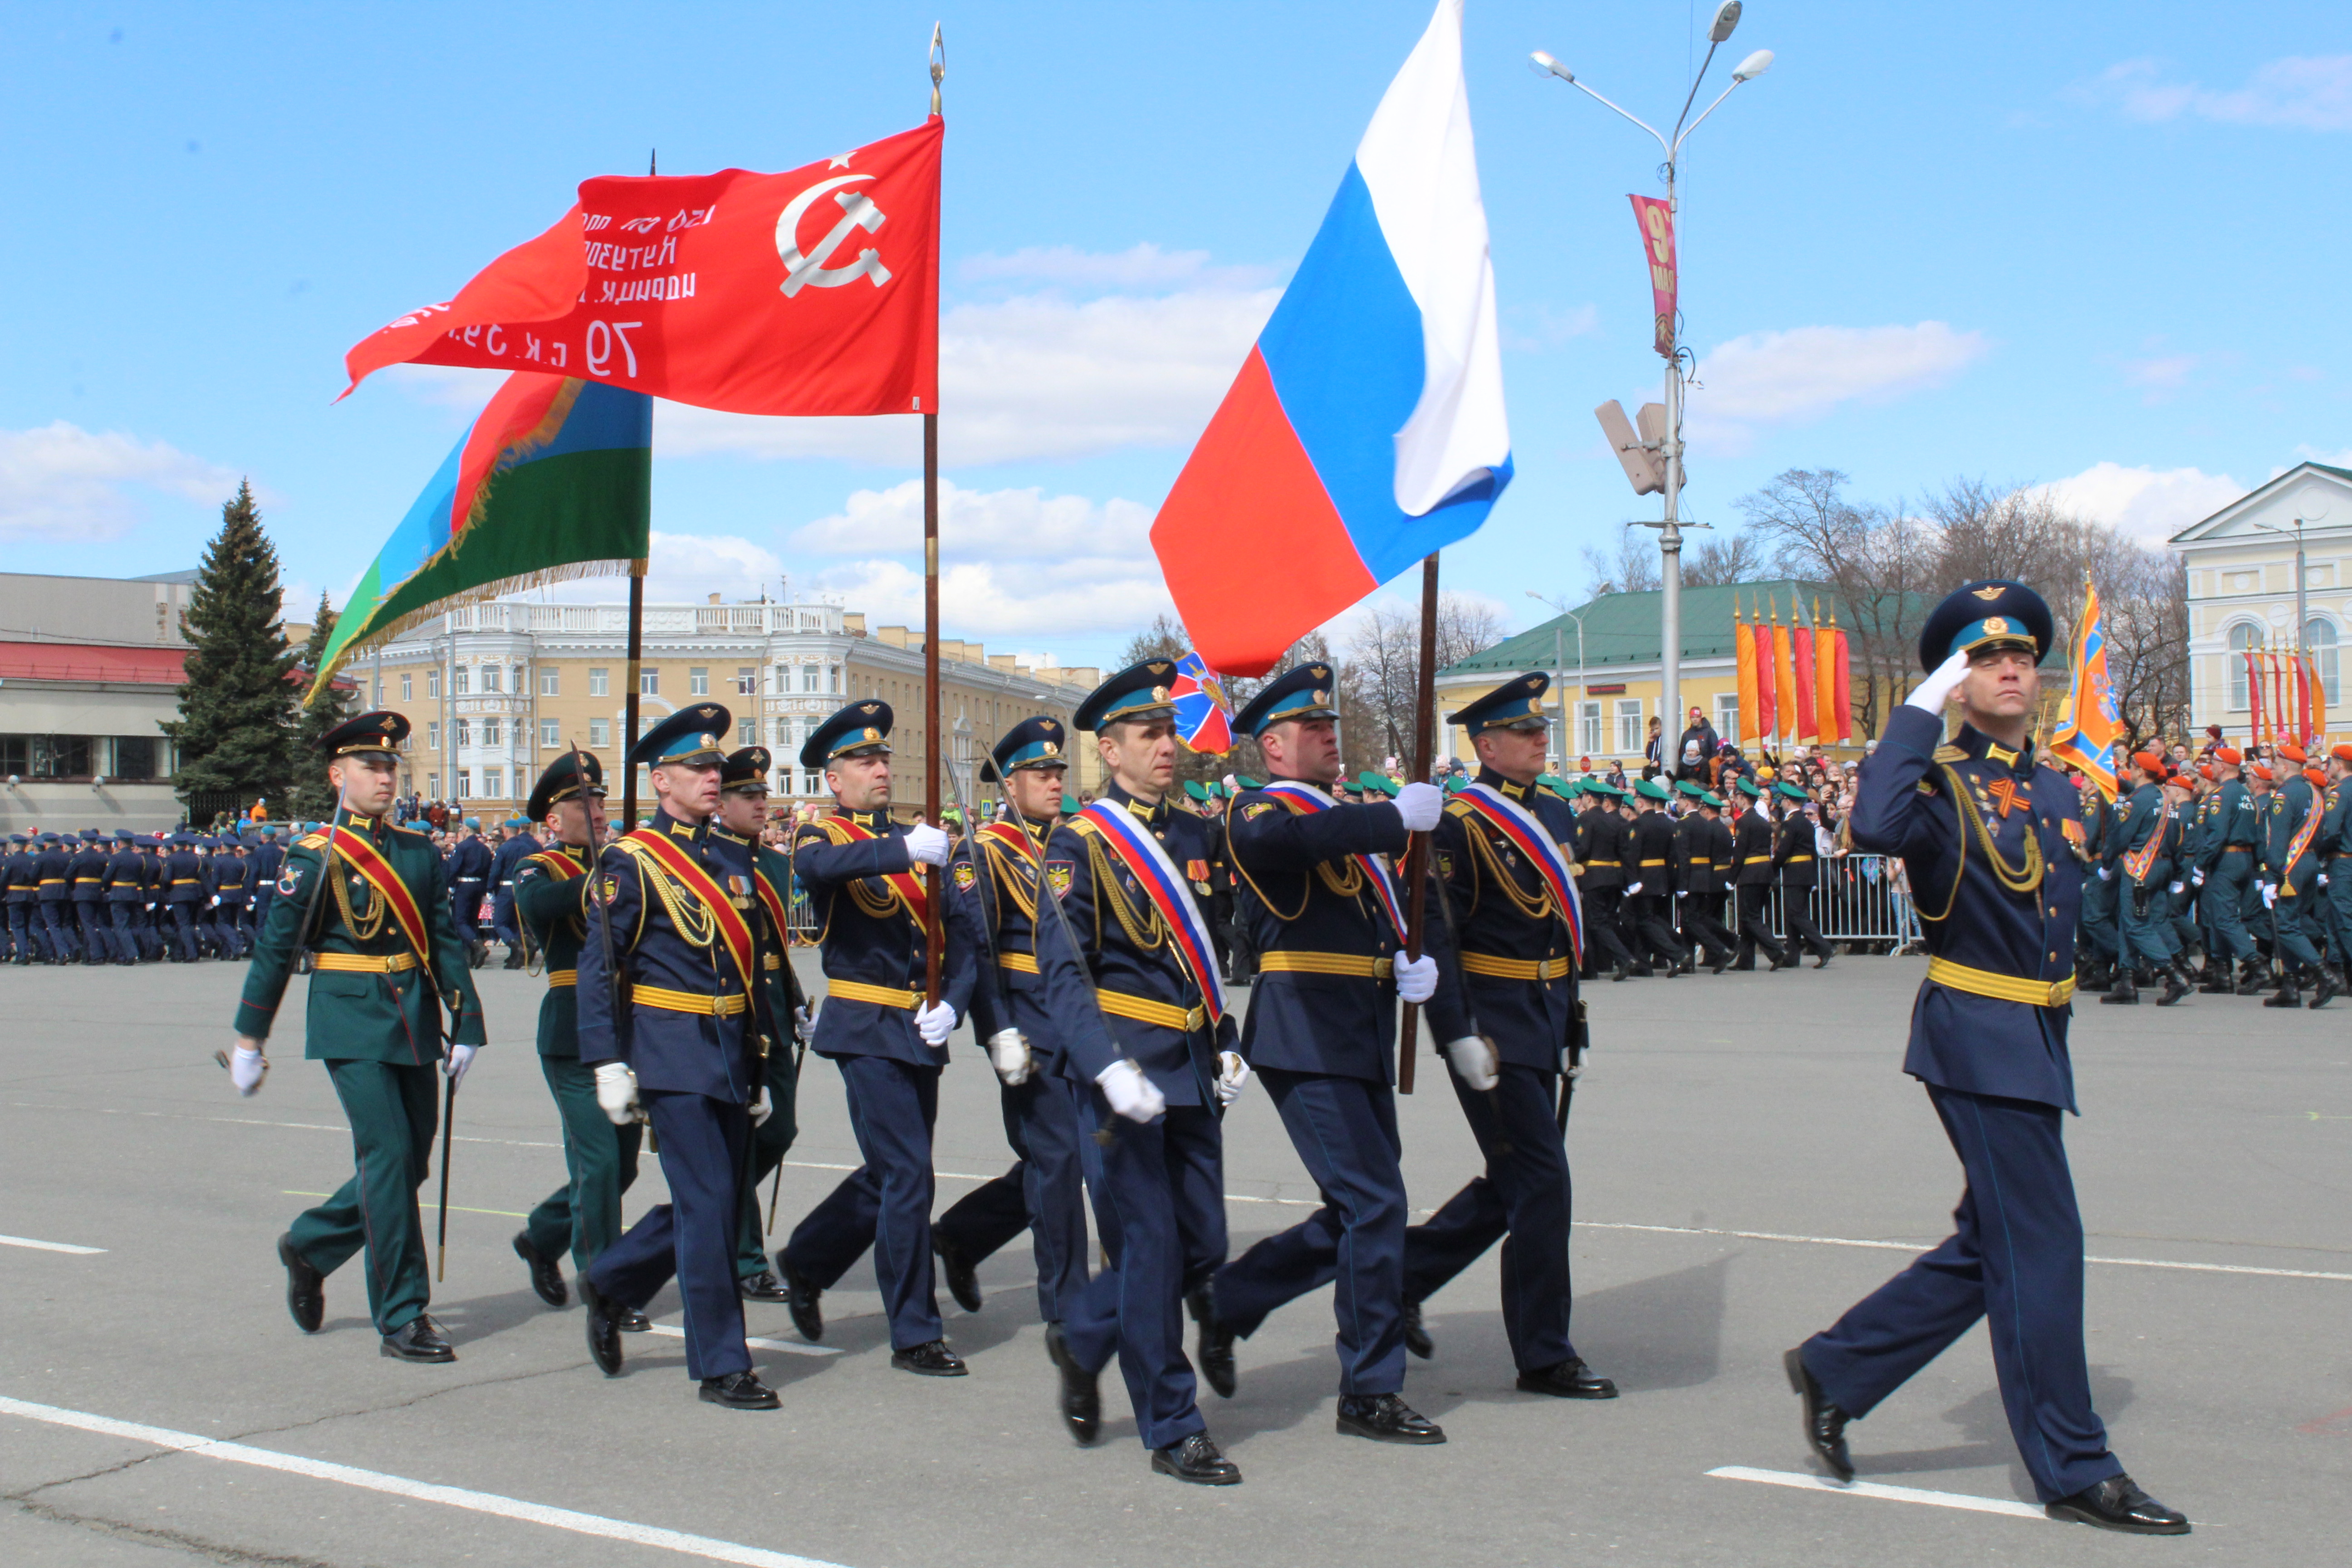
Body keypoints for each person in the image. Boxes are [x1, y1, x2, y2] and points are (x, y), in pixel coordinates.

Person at [1786, 580, 2189, 1535]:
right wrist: (1916, 715)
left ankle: (1842, 1365)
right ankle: (2074, 1464)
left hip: (2041, 1034)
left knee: (1994, 1241)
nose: (2010, 669)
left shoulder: (2053, 785)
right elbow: (1873, 829)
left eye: (2020, 657)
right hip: (1977, 1035)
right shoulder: (1930, 783)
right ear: (1954, 685)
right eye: (1981, 660)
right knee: (2044, 1245)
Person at [1196, 662, 1454, 1446]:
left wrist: (1404, 962)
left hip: (1358, 1028)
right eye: (1312, 728)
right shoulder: (1256, 812)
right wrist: (1390, 820)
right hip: (1302, 1032)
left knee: (1360, 1205)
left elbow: (1364, 906)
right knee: (1375, 1204)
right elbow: (1296, 842)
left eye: (1331, 726)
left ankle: (1231, 1299)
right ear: (1271, 746)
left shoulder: (1341, 812)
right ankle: (1368, 1388)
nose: (1329, 737)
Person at [225, 711, 486, 1363]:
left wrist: (469, 1021)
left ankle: (312, 1246)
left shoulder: (419, 851)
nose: (385, 777)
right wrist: (249, 1041)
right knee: (389, 1158)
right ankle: (402, 1314)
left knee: (410, 1162)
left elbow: (442, 939)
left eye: (390, 766)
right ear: (337, 776)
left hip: (414, 1015)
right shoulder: (312, 856)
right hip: (348, 1017)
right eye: (370, 766)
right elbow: (276, 950)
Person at [1044, 661, 1245, 1483]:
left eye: (1170, 731)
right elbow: (1062, 974)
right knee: (1154, 1246)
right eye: (1149, 735)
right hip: (1125, 1077)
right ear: (1110, 751)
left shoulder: (1191, 833)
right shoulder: (1078, 842)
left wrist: (1226, 1035)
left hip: (1191, 1069)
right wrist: (1104, 1065)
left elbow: (1203, 957)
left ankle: (1084, 1334)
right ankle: (1171, 1424)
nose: (1168, 746)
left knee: (1202, 1241)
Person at [1400, 672, 1616, 1400]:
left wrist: (1571, 1014)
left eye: (1541, 729)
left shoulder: (1554, 813)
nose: (1539, 739)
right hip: (1492, 1024)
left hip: (1546, 1012)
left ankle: (1398, 1279)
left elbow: (1558, 922)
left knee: (1517, 1181)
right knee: (1543, 1183)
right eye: (1525, 732)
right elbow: (1438, 934)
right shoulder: (1458, 824)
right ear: (1486, 745)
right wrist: (1455, 1030)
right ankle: (1544, 1352)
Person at [573, 703, 782, 1410]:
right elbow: (602, 967)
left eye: (717, 767)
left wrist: (755, 1063)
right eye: (699, 768)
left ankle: (614, 1279)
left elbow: (746, 969)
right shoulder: (629, 862)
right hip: (669, 1052)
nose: (714, 778)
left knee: (715, 1205)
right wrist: (607, 1060)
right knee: (711, 1202)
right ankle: (722, 1363)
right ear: (662, 781)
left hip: (726, 1051)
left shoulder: (730, 858)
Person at [775, 698, 975, 1376]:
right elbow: (814, 874)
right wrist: (900, 849)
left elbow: (963, 937)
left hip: (920, 1028)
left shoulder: (925, 842)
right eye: (864, 760)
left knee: (897, 1171)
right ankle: (914, 1330)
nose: (880, 768)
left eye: (884, 757)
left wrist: (957, 1005)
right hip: (864, 1026)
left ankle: (808, 1258)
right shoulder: (823, 836)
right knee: (911, 1175)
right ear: (834, 778)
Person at [932, 717, 1095, 1331]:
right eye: (1040, 774)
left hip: (1080, 1021)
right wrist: (996, 1028)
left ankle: (962, 1235)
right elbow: (974, 949)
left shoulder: (1073, 844)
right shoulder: (985, 853)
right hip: (1027, 1022)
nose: (1055, 783)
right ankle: (1067, 1303)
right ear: (1010, 785)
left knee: (1064, 1160)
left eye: (1059, 772)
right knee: (1058, 1164)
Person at [509, 751, 647, 1334]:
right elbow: (538, 907)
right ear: (553, 819)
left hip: (631, 1025)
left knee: (622, 1167)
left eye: (598, 800)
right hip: (572, 1029)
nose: (594, 811)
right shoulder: (538, 866)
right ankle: (605, 1284)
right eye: (579, 804)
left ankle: (543, 1237)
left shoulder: (623, 861)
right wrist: (603, 878)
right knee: (598, 1163)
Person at [707, 747, 810, 1303]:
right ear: (720, 804)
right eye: (749, 796)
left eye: (763, 795)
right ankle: (746, 1257)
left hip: (774, 1008)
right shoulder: (705, 859)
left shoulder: (772, 863)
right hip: (737, 1015)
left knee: (780, 1130)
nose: (761, 804)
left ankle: (713, 1211)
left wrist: (794, 1000)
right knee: (741, 1141)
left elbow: (776, 946)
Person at [1772, 781, 1836, 967]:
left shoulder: (1791, 824)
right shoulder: (1806, 823)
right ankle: (1792, 956)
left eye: (1783, 800)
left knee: (1796, 913)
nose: (1782, 803)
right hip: (1806, 872)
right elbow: (1813, 852)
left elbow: (1783, 851)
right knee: (1794, 914)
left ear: (1789, 802)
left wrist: (1774, 868)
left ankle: (1824, 947)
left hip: (1795, 873)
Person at [1729, 779, 1789, 970]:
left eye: (1737, 798)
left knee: (1750, 917)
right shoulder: (1764, 822)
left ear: (1742, 799)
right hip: (1764, 872)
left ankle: (1776, 951)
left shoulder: (1743, 822)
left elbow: (1740, 853)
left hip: (1750, 873)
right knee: (1748, 917)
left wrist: (1731, 878)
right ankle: (1746, 960)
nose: (1735, 802)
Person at [489, 818, 539, 969]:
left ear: (505, 832)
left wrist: (490, 888)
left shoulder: (504, 848)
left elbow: (496, 871)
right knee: (515, 922)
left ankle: (517, 947)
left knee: (500, 923)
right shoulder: (527, 848)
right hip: (522, 886)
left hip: (506, 888)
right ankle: (524, 947)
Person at [447, 818, 491, 968]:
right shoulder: (484, 849)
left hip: (464, 885)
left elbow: (454, 868)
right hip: (479, 885)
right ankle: (472, 955)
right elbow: (488, 870)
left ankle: (477, 946)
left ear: (466, 830)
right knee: (472, 921)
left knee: (460, 921)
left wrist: (450, 885)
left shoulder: (462, 847)